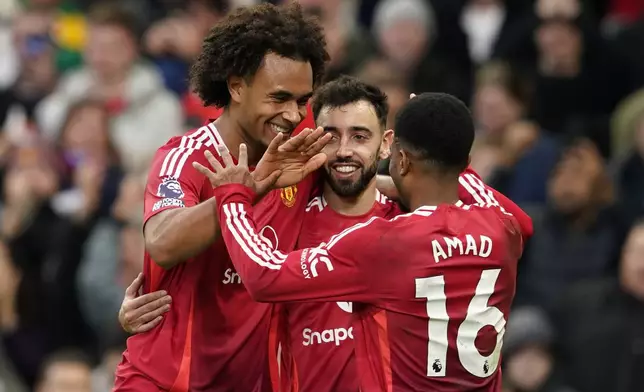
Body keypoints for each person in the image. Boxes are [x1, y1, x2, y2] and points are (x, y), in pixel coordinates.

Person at [120, 79, 534, 391]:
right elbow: (213, 272)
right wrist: (143, 312)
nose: (343, 151)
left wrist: (233, 195)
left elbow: (260, 273)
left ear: (390, 148)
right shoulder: (287, 213)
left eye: (360, 136)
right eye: (330, 137)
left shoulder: (393, 230)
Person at [112, 3, 331, 391]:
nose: (294, 114)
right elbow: (161, 241)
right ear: (236, 87)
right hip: (162, 382)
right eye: (278, 98)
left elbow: (369, 188)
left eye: (302, 100)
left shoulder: (300, 154)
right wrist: (242, 192)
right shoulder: (187, 157)